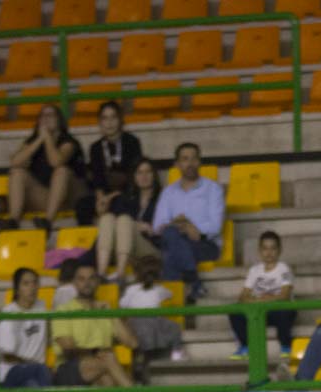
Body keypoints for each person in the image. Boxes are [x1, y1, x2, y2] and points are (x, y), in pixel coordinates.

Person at [50, 262, 140, 389]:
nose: (87, 283)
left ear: (98, 281)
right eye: (81, 279)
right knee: (108, 358)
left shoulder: (104, 309)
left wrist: (110, 313)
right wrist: (97, 352)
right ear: (74, 283)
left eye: (91, 278)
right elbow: (68, 349)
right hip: (68, 369)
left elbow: (132, 343)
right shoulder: (64, 310)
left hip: (101, 368)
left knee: (107, 379)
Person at [153, 142, 225, 301]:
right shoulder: (168, 192)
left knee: (170, 253)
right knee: (172, 239)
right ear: (177, 164)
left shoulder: (213, 189)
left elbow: (215, 226)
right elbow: (158, 225)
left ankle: (177, 299)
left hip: (205, 244)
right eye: (185, 159)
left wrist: (194, 229)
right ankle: (193, 283)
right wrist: (181, 226)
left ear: (200, 162)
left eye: (194, 159)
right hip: (177, 240)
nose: (190, 163)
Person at [0, 104, 86, 232]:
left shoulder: (69, 141)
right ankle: (13, 220)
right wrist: (39, 139)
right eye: (43, 116)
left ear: (59, 120)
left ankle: (48, 221)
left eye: (50, 115)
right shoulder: (33, 140)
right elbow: (15, 162)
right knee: (17, 172)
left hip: (68, 197)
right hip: (45, 197)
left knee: (61, 171)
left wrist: (48, 138)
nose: (46, 119)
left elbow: (56, 162)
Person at [229, 231, 295, 359]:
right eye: (265, 248)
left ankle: (285, 345)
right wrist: (258, 301)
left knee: (285, 311)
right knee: (235, 311)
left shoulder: (284, 268)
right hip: (260, 310)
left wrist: (263, 300)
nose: (268, 252)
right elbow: (243, 296)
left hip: (277, 310)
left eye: (273, 248)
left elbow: (285, 295)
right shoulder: (254, 270)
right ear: (259, 251)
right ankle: (245, 346)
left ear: (279, 250)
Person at [97, 157, 161, 283]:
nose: (144, 176)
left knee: (125, 220)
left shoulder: (163, 197)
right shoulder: (126, 198)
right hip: (126, 249)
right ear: (134, 177)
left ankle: (120, 275)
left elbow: (164, 227)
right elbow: (114, 224)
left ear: (154, 175)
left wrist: (147, 227)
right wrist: (136, 225)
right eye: (139, 172)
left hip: (150, 250)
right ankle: (101, 274)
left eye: (148, 172)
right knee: (107, 218)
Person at [120, 254, 183, 381]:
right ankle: (176, 354)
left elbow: (122, 304)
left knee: (139, 338)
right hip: (153, 322)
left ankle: (140, 360)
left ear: (136, 273)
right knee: (175, 328)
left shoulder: (131, 289)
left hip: (136, 323)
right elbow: (170, 294)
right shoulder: (159, 289)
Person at [82, 100, 144, 227]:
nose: (109, 123)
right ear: (100, 122)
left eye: (113, 117)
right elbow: (97, 177)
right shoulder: (95, 147)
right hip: (104, 195)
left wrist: (111, 197)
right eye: (105, 118)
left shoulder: (132, 142)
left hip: (127, 193)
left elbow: (134, 176)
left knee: (120, 202)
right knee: (82, 205)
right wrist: (100, 199)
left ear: (120, 120)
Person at [0, 267, 53, 388]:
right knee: (39, 371)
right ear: (17, 289)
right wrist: (32, 364)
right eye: (26, 284)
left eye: (35, 283)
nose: (32, 288)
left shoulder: (41, 307)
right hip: (11, 372)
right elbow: (7, 356)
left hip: (36, 374)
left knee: (32, 385)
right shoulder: (8, 314)